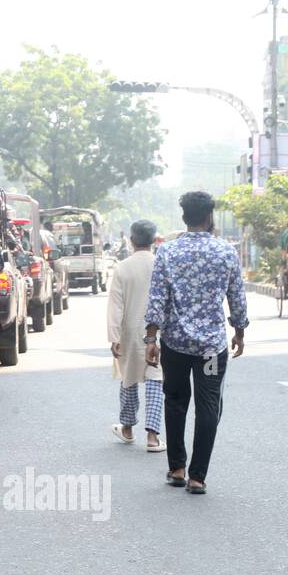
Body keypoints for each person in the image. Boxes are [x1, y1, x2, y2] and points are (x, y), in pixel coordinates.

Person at [144, 190, 249, 494]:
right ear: (209, 217)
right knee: (208, 406)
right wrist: (239, 330)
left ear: (184, 217)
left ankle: (176, 468)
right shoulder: (226, 252)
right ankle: (197, 477)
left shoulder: (167, 252)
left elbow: (157, 300)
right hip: (212, 349)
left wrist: (151, 337)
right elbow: (236, 298)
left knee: (175, 403)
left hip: (175, 344)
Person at [108, 220, 164, 451]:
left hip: (129, 331)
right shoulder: (161, 264)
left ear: (132, 241)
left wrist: (114, 337)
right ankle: (152, 437)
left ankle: (128, 428)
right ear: (153, 241)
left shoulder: (122, 268)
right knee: (155, 380)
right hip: (158, 332)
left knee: (129, 379)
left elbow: (115, 306)